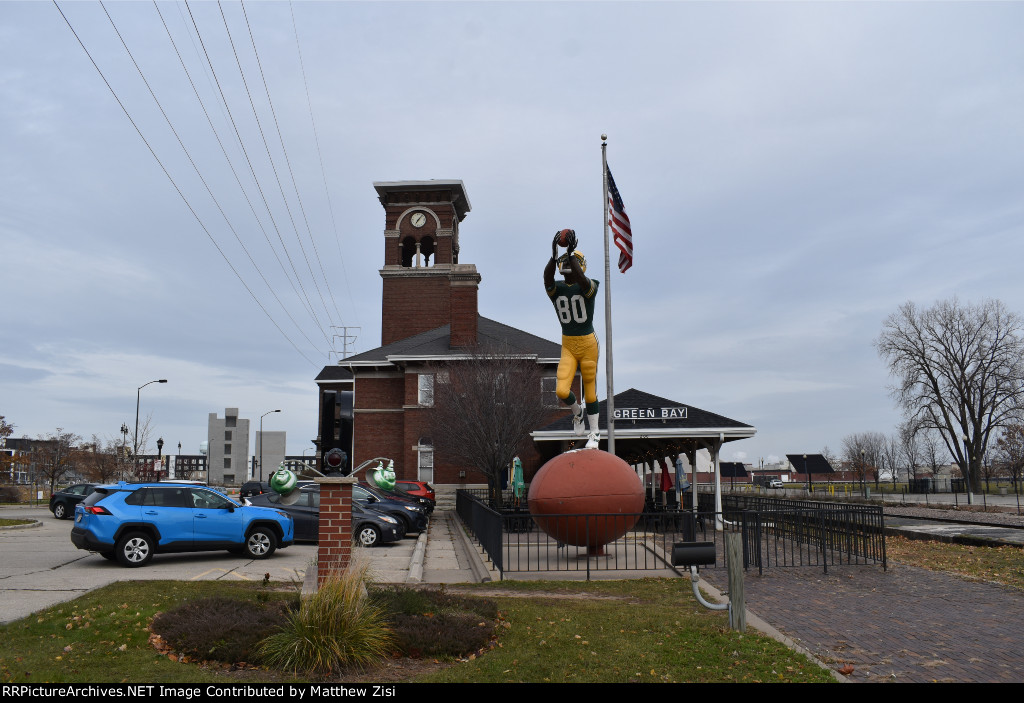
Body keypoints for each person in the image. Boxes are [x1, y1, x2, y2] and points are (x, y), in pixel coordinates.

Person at [544, 229, 601, 449]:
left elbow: (581, 280)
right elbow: (547, 278)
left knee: (590, 389)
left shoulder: (590, 284)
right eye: (565, 260)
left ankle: (595, 432)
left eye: (573, 260)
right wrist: (553, 254)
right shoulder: (557, 288)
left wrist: (569, 252)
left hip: (588, 343)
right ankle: (577, 413)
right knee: (561, 390)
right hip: (568, 344)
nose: (568, 262)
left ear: (581, 265)